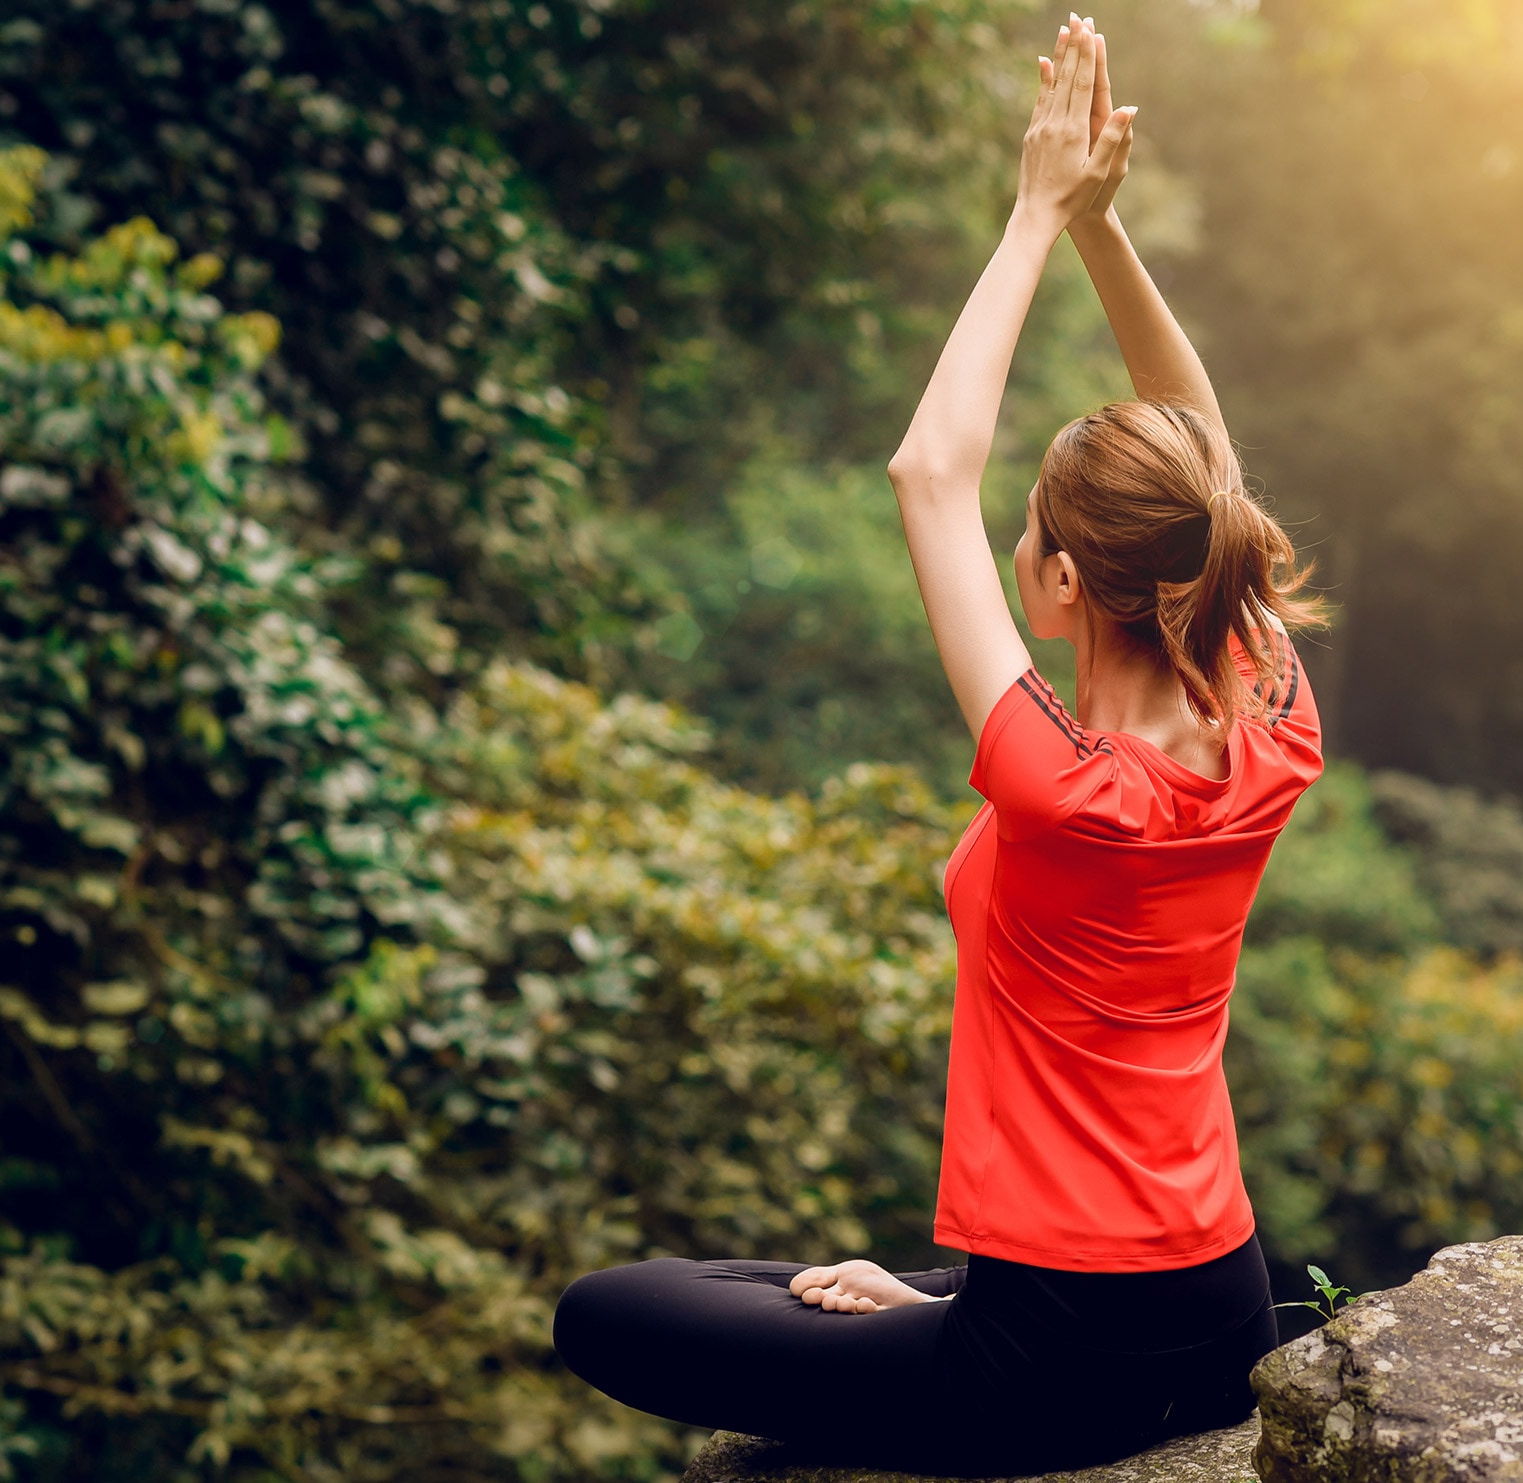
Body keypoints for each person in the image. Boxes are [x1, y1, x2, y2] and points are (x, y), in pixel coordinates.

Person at [551, 14, 1327, 1476]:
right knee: (808, 1286)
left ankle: (946, 1319)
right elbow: (1202, 461)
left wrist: (1039, 212)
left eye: (1030, 540)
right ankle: (939, 1300)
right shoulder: (1268, 717)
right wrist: (1104, 233)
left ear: (1052, 584)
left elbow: (927, 468)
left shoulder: (1066, 786)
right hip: (1214, 1302)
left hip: (1049, 1360)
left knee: (615, 1310)